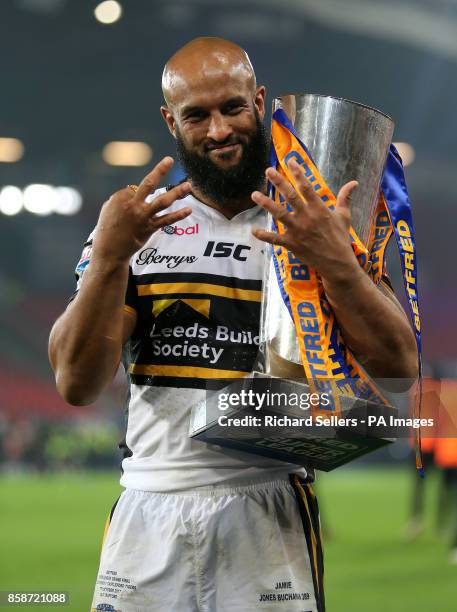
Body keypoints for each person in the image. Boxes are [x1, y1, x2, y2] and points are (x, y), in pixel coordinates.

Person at [49, 37, 418, 612]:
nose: (219, 130)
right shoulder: (138, 228)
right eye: (197, 115)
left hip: (267, 510)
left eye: (233, 107)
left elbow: (400, 370)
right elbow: (75, 383)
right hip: (150, 505)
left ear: (261, 101)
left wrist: (338, 264)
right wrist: (108, 260)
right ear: (171, 121)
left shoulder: (313, 216)